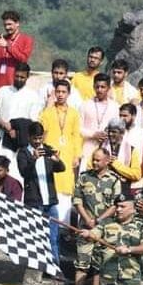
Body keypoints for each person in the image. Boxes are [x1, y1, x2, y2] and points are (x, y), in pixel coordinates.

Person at [71, 148, 121, 285]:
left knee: (99, 265)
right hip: (85, 228)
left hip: (104, 229)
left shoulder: (114, 180)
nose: (95, 162)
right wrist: (87, 219)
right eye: (94, 159)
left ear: (107, 161)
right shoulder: (84, 177)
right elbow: (77, 201)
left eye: (98, 160)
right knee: (81, 264)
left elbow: (115, 205)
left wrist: (98, 220)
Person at [17, 121, 66, 262]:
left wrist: (56, 159)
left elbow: (62, 168)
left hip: (50, 202)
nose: (38, 142)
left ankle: (55, 268)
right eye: (35, 139)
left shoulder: (47, 149)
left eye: (40, 138)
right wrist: (33, 159)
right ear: (29, 137)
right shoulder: (23, 153)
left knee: (53, 237)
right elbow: (24, 172)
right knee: (35, 238)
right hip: (34, 202)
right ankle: (37, 269)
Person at [0, 62, 44, 182]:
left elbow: (33, 121)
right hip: (2, 138)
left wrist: (18, 132)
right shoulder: (3, 91)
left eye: (22, 77)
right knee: (0, 171)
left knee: (18, 174)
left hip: (23, 141)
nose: (19, 79)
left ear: (27, 77)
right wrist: (6, 126)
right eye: (17, 76)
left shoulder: (33, 96)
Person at [40, 79, 82, 222]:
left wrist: (77, 155)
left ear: (69, 93)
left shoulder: (74, 113)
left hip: (68, 155)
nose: (60, 95)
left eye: (63, 92)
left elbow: (77, 135)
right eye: (58, 91)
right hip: (51, 156)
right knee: (51, 187)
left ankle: (63, 228)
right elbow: (42, 134)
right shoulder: (47, 112)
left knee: (65, 190)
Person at [0, 10, 34, 96]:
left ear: (17, 23)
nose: (7, 27)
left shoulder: (26, 40)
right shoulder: (0, 39)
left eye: (9, 24)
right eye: (5, 25)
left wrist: (7, 46)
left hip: (13, 82)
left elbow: (23, 59)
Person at [79, 74, 119, 171]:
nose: (100, 90)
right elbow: (78, 128)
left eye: (103, 87)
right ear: (93, 87)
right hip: (88, 147)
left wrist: (108, 135)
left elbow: (118, 129)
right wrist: (93, 134)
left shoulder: (115, 107)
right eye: (97, 87)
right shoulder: (85, 105)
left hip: (107, 147)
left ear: (108, 88)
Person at [103, 115, 143, 190]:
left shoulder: (131, 150)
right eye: (109, 131)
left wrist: (115, 164)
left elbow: (137, 175)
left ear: (122, 133)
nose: (110, 134)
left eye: (114, 132)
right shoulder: (101, 147)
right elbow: (90, 167)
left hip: (122, 188)